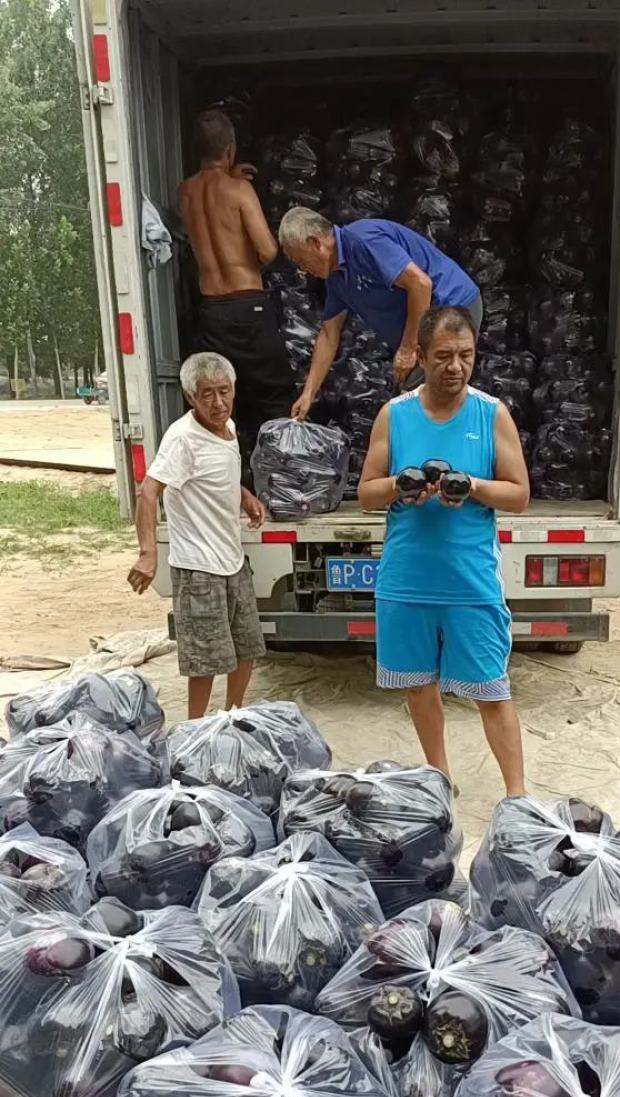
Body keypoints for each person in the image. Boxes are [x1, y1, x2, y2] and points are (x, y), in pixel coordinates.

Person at [359, 306, 529, 798]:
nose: (455, 366)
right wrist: (398, 485)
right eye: (443, 356)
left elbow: (518, 494)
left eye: (465, 356)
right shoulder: (395, 414)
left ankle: (517, 797)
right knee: (418, 684)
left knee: (493, 693)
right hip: (407, 579)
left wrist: (473, 485)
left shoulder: (491, 413)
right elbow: (367, 493)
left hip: (470, 582)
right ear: (421, 356)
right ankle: (440, 779)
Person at [127, 352, 266, 719]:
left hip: (232, 561)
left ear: (234, 390)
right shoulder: (182, 439)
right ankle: (195, 730)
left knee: (247, 647)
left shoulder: (230, 428)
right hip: (198, 569)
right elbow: (148, 491)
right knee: (205, 662)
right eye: (207, 394)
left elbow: (217, 474)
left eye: (224, 391)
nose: (218, 402)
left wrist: (244, 495)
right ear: (191, 398)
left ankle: (231, 719)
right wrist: (147, 553)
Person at [278, 208, 482, 419]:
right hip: (424, 330)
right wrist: (308, 394)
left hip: (452, 306)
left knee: (425, 402)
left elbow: (420, 284)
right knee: (418, 402)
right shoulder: (336, 279)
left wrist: (408, 349)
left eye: (301, 260)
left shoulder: (363, 241)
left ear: (315, 243)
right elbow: (329, 334)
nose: (303, 270)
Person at [180, 109, 296, 461]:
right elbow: (267, 249)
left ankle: (229, 473)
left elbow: (208, 200)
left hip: (211, 310)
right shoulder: (239, 190)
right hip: (248, 304)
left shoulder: (185, 191)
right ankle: (280, 476)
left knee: (225, 399)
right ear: (229, 150)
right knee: (273, 395)